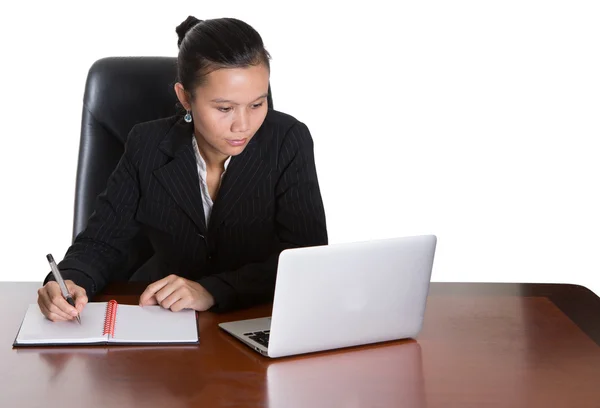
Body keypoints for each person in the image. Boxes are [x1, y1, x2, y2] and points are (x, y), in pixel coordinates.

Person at [37, 16, 328, 321]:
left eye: (257, 104)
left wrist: (213, 290)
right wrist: (69, 279)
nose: (243, 125)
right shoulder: (147, 144)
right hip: (163, 319)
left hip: (254, 319)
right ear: (185, 97)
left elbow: (305, 259)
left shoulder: (288, 140)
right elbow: (101, 241)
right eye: (225, 108)